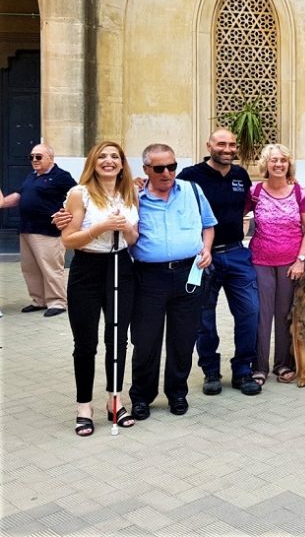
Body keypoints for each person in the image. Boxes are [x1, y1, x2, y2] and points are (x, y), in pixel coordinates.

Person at [129, 143, 216, 420]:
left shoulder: (192, 190)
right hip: (149, 277)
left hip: (188, 274)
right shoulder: (135, 196)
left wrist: (207, 249)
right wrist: (129, 193)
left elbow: (208, 224)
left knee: (183, 339)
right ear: (146, 169)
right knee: (146, 340)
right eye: (159, 168)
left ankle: (177, 392)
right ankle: (142, 396)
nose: (167, 173)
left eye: (172, 166)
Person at [59, 142, 140, 436]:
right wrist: (101, 227)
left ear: (121, 164)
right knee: (85, 343)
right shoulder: (79, 194)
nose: (108, 161)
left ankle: (114, 400)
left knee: (117, 340)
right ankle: (84, 406)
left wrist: (125, 229)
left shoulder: (130, 193)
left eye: (114, 157)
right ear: (93, 162)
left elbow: (132, 239)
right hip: (87, 269)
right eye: (102, 157)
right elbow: (68, 241)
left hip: (121, 267)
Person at [177, 128, 262, 396]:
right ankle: (210, 370)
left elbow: (250, 206)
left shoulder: (240, 175)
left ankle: (243, 370)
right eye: (221, 144)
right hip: (203, 256)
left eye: (232, 145)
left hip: (237, 253)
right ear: (209, 145)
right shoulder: (190, 176)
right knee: (204, 318)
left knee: (250, 311)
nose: (227, 149)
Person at [248, 143, 305, 385]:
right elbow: (235, 217)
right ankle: (259, 366)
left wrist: (300, 261)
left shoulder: (300, 192)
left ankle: (283, 364)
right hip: (260, 261)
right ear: (265, 164)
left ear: (289, 165)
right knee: (261, 315)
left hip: (291, 264)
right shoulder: (254, 192)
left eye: (283, 160)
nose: (278, 164)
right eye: (274, 160)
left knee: (286, 314)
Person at [0, 143, 77, 317]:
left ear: (51, 157)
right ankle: (39, 300)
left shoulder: (61, 176)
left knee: (50, 268)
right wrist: (3, 203)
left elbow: (77, 196)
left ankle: (57, 302)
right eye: (32, 157)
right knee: (30, 268)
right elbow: (20, 196)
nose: (34, 160)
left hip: (47, 231)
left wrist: (66, 213)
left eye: (39, 157)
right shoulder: (32, 177)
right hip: (26, 229)